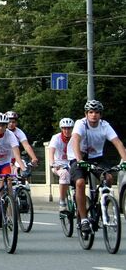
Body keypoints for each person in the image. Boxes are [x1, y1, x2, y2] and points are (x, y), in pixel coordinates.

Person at [69, 100, 126, 234]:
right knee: (80, 183)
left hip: (96, 158)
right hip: (78, 157)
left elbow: (117, 143)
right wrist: (79, 160)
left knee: (109, 177)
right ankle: (83, 219)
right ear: (86, 114)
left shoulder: (105, 125)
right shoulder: (80, 124)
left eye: (97, 112)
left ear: (100, 114)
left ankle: (103, 203)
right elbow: (76, 140)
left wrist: (124, 160)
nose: (94, 115)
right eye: (91, 112)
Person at [48, 118, 74, 212]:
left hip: (72, 163)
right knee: (64, 174)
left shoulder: (75, 137)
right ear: (61, 129)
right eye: (64, 128)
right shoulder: (56, 138)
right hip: (58, 164)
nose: (67, 131)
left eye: (69, 128)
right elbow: (51, 151)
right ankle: (62, 200)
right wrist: (52, 163)